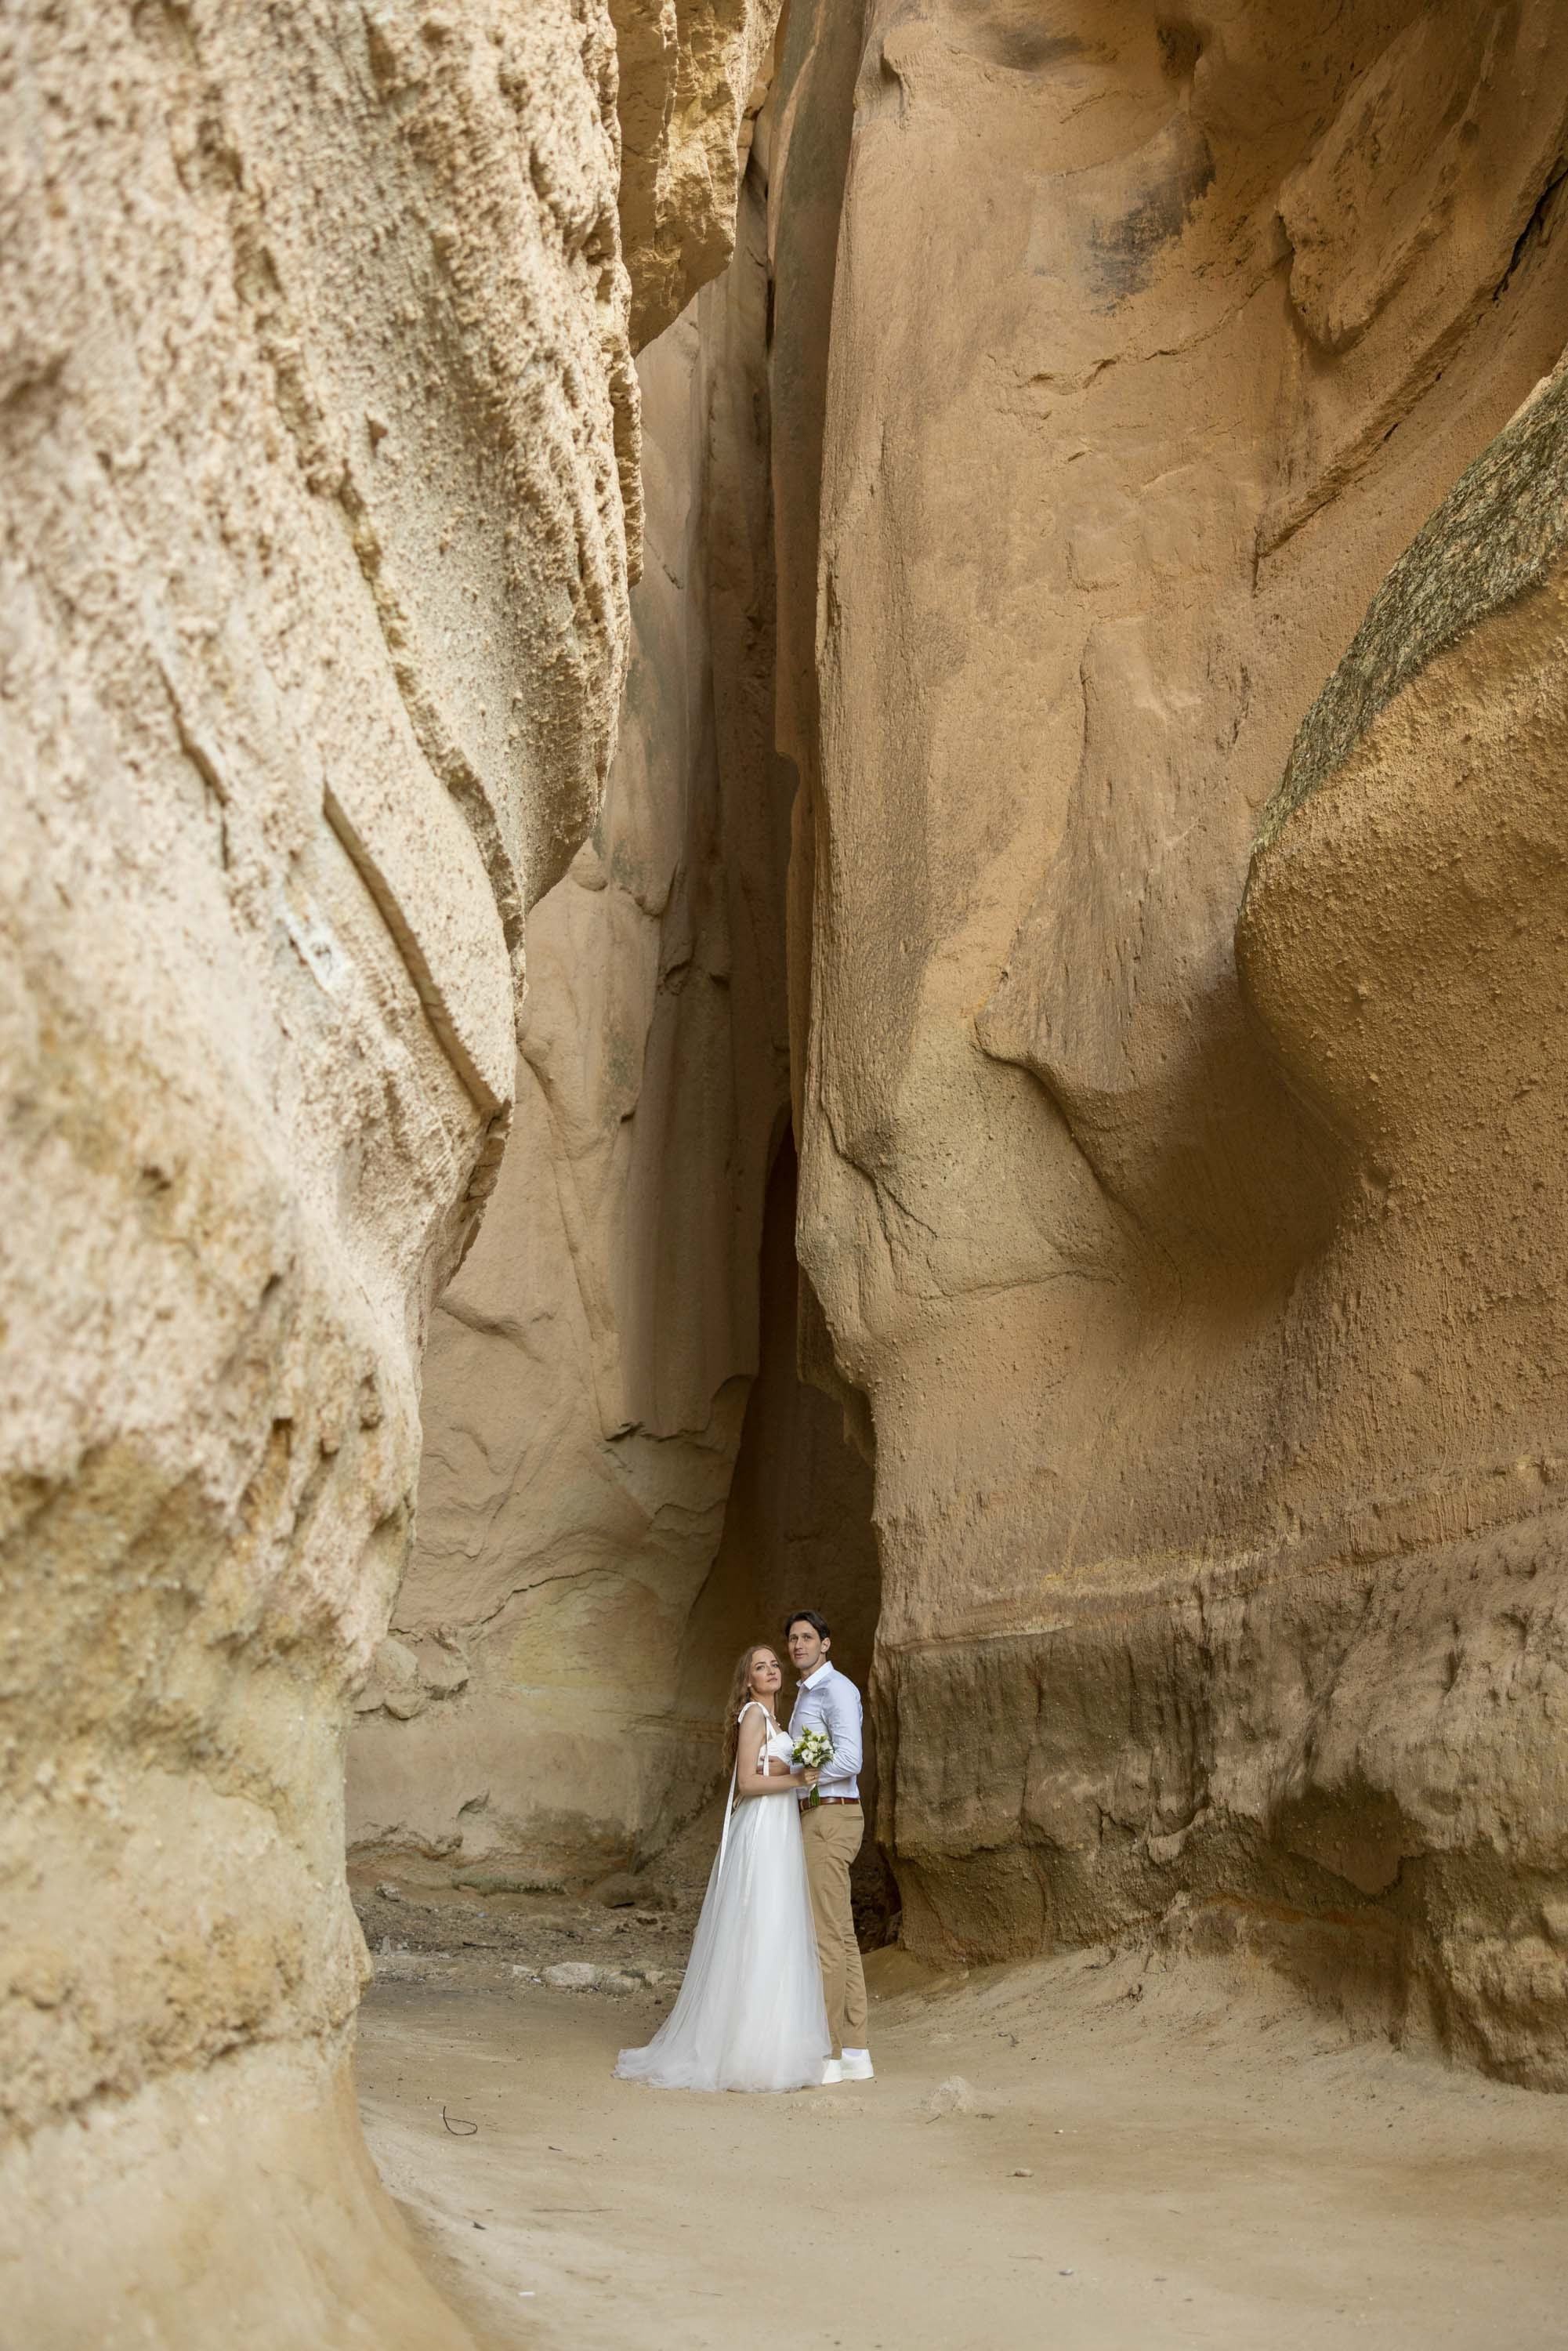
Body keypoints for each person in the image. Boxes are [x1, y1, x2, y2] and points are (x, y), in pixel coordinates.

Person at [614, 1644, 830, 2092]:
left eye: (774, 1664)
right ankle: (741, 2053)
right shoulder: (753, 1715)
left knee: (777, 1928)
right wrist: (796, 1778)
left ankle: (770, 2049)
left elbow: (770, 1774)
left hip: (780, 1828)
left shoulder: (776, 1722)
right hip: (762, 1831)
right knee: (758, 1926)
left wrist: (797, 1772)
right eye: (760, 1667)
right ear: (748, 1681)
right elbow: (747, 1783)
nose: (771, 1670)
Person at [786, 1609, 873, 2084]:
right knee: (841, 1934)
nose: (798, 1645)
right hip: (823, 1813)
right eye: (793, 1639)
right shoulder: (809, 1692)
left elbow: (852, 1758)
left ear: (826, 1643)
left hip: (830, 1816)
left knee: (825, 1937)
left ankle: (829, 2053)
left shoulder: (835, 1688)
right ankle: (856, 2051)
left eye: (807, 1637)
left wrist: (805, 1776)